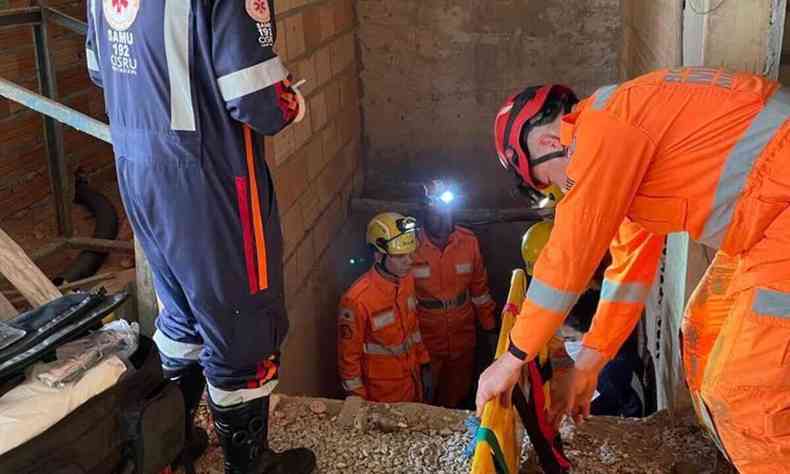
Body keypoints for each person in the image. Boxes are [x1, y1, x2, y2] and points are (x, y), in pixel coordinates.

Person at [480, 69, 790, 472]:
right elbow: (627, 272)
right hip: (768, 226)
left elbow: (569, 253)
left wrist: (512, 358)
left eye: (551, 184)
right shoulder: (622, 146)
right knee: (702, 330)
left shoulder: (601, 131)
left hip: (779, 219)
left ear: (548, 143)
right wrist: (589, 363)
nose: (564, 191)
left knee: (742, 390)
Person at [85, 1, 314, 473]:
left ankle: (172, 441)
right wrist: (293, 101)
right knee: (243, 318)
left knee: (183, 310)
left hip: (137, 164)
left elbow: (99, 69)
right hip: (208, 177)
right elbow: (257, 101)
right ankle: (249, 465)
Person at [411, 180, 497, 408]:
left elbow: (480, 290)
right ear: (424, 213)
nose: (443, 218)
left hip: (462, 334)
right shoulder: (409, 248)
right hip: (425, 337)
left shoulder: (468, 242)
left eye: (447, 212)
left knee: (458, 391)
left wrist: (490, 329)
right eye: (436, 212)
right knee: (425, 394)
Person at [337, 212, 432, 402]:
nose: (409, 260)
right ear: (378, 255)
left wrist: (424, 362)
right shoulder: (357, 300)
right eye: (400, 256)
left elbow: (413, 329)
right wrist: (358, 400)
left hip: (411, 380)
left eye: (411, 253)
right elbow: (349, 359)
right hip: (381, 394)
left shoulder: (406, 280)